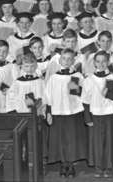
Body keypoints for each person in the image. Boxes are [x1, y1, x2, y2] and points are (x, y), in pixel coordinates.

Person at [45, 48, 87, 178]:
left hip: (73, 111)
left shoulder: (77, 76)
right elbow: (48, 96)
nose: (67, 61)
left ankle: (71, 164)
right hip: (58, 112)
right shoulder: (53, 77)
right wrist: (49, 112)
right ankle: (63, 164)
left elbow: (84, 94)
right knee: (61, 139)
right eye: (64, 58)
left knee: (72, 138)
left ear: (73, 60)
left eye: (70, 59)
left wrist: (76, 88)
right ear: (60, 60)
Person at [81, 51, 113, 178]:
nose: (101, 64)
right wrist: (87, 118)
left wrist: (110, 94)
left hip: (110, 114)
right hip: (95, 114)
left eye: (104, 61)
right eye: (98, 61)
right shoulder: (89, 80)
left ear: (108, 62)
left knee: (109, 141)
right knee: (97, 141)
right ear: (94, 63)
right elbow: (85, 100)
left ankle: (108, 166)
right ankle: (98, 166)